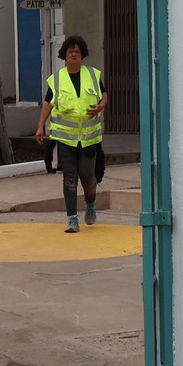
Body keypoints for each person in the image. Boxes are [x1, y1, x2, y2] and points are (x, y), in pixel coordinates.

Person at [34, 35, 107, 233]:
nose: (73, 54)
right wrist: (41, 126)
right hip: (65, 139)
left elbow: (104, 94)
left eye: (77, 51)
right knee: (70, 178)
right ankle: (72, 219)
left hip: (89, 138)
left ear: (82, 54)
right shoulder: (57, 79)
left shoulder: (92, 74)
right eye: (70, 52)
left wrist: (100, 106)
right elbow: (48, 102)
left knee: (87, 175)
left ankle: (90, 203)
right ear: (64, 56)